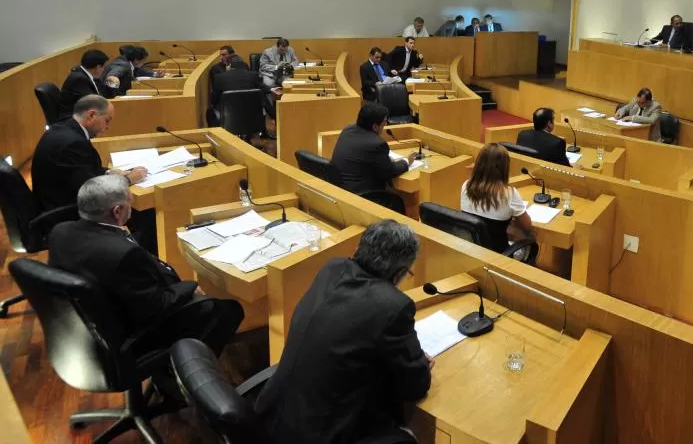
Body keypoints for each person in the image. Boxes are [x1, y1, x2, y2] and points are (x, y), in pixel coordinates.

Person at [48, 175, 243, 397]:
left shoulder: (60, 232)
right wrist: (190, 286)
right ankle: (181, 380)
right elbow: (157, 307)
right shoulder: (122, 254)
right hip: (127, 338)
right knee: (224, 310)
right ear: (118, 211)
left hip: (81, 332)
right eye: (130, 202)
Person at [256, 220, 431, 444]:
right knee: (408, 435)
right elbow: (415, 387)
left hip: (272, 415)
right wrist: (418, 363)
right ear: (399, 273)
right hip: (319, 436)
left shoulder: (331, 269)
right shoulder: (393, 306)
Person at [31, 95, 160, 251]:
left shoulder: (67, 129)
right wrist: (128, 179)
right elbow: (93, 192)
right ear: (91, 115)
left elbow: (82, 170)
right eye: (107, 120)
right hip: (66, 212)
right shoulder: (72, 143)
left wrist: (109, 172)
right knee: (145, 213)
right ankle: (142, 260)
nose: (108, 127)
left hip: (60, 199)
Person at [460, 143, 534, 251]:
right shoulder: (510, 194)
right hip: (497, 257)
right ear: (504, 167)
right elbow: (527, 226)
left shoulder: (466, 186)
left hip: (471, 251)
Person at [331, 102, 413, 194]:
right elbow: (390, 172)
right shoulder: (377, 144)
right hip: (360, 195)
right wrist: (406, 161)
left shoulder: (347, 130)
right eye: (384, 121)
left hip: (338, 189)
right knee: (397, 200)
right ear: (375, 126)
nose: (386, 124)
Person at [58, 49, 110, 119]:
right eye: (104, 67)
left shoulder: (83, 73)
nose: (104, 70)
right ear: (98, 67)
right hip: (72, 119)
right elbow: (93, 102)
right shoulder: (79, 79)